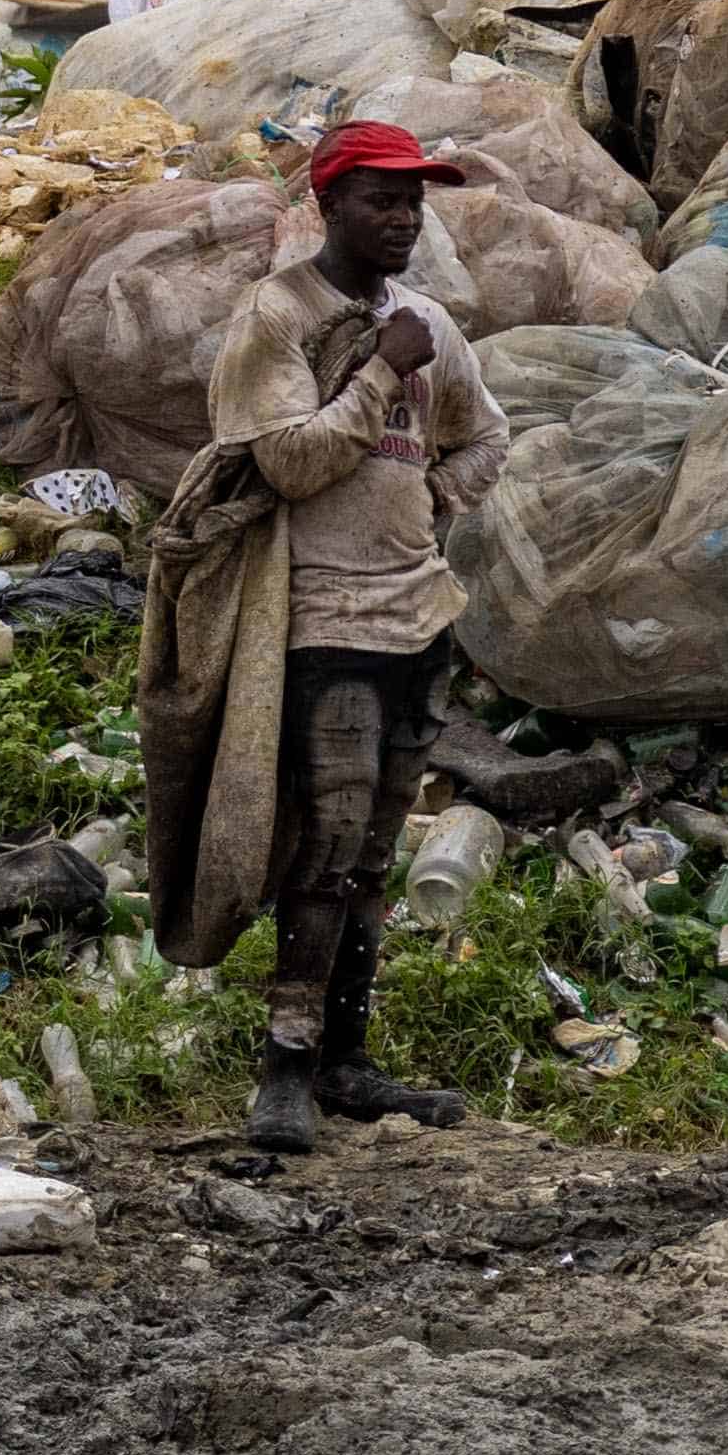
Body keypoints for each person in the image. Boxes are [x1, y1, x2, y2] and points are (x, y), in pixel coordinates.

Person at [202, 122, 504, 1149]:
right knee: (324, 846)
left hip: (416, 616)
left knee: (375, 852)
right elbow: (287, 460)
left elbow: (487, 429)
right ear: (328, 205)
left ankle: (347, 1063)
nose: (403, 218)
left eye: (414, 202)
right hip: (320, 622)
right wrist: (378, 374)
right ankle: (283, 1069)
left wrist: (433, 497)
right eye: (381, 200)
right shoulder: (277, 316)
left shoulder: (423, 321)